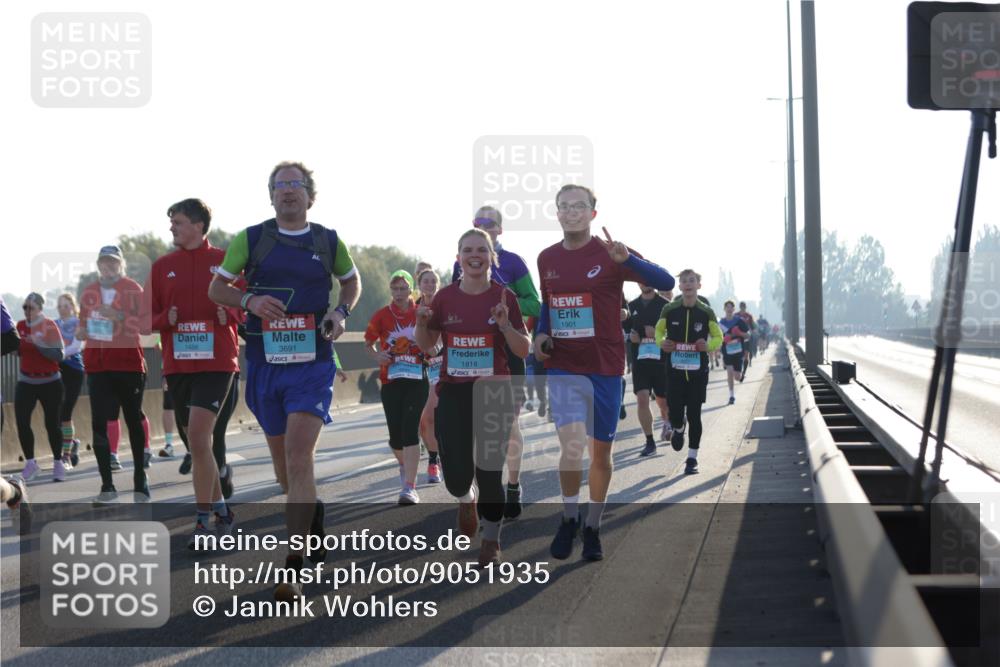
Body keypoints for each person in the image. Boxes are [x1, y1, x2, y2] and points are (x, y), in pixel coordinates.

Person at [208, 161, 360, 601]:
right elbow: (218, 291)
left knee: (299, 455)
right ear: (270, 195)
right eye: (280, 185)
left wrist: (339, 313)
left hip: (312, 363)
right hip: (264, 363)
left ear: (310, 196)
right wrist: (250, 299)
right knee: (285, 472)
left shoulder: (328, 241)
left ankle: (292, 564)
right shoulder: (251, 239)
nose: (288, 191)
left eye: (296, 185)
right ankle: (310, 510)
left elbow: (351, 284)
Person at [534, 185, 674, 562]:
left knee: (600, 453)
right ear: (557, 213)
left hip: (604, 366)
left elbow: (666, 283)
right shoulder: (546, 258)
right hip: (564, 365)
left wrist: (631, 261)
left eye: (579, 206)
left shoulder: (611, 253)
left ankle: (593, 525)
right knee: (570, 447)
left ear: (593, 213)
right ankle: (568, 518)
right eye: (564, 206)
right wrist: (541, 334)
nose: (571, 212)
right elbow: (549, 305)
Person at [416, 228, 529, 567]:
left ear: (491, 257)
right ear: (459, 257)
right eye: (468, 249)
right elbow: (427, 345)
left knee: (490, 470)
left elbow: (522, 348)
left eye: (482, 249)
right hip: (453, 391)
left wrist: (505, 326)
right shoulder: (445, 298)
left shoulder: (504, 297)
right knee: (457, 476)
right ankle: (466, 499)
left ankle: (491, 540)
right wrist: (422, 323)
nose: (475, 254)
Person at [148, 198, 241, 545]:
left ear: (199, 225)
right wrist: (163, 321)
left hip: (217, 363)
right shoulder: (162, 266)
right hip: (178, 364)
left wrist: (228, 315)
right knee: (198, 447)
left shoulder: (224, 262)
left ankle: (203, 522)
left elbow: (247, 307)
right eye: (171, 221)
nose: (172, 227)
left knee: (201, 439)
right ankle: (223, 511)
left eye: (179, 221)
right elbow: (148, 317)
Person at [450, 206, 540, 520]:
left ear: (500, 230)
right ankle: (485, 492)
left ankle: (512, 484)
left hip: (508, 355)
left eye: (489, 223)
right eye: (477, 223)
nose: (483, 226)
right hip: (470, 357)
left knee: (509, 426)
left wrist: (505, 299)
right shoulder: (460, 262)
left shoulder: (513, 262)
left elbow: (535, 303)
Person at [77, 245, 150, 504]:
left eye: (113, 262)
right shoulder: (89, 292)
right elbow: (83, 324)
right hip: (98, 366)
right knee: (99, 424)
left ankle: (140, 478)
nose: (108, 267)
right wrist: (81, 332)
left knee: (132, 420)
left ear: (121, 265)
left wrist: (119, 315)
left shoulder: (133, 289)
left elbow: (146, 324)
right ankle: (107, 485)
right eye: (104, 263)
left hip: (128, 364)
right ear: (99, 265)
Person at [365, 270, 429, 505]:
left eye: (403, 289)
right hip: (391, 380)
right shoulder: (382, 315)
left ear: (411, 290)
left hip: (417, 379)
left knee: (410, 428)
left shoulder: (420, 313)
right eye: (395, 289)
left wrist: (427, 349)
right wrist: (377, 356)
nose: (399, 293)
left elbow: (434, 342)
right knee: (395, 436)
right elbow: (368, 345)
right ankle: (405, 465)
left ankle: (410, 487)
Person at [655, 269, 722, 475]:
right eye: (684, 281)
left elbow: (718, 337)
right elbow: (659, 332)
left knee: (694, 414)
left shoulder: (706, 311)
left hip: (697, 373)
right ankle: (677, 427)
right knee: (674, 411)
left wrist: (708, 345)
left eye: (692, 280)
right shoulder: (669, 309)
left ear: (698, 285)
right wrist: (662, 343)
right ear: (680, 286)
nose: (688, 284)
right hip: (674, 372)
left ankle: (692, 459)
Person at [15, 293, 66, 481]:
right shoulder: (20, 326)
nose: (27, 311)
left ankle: (58, 463)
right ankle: (30, 463)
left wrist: (39, 344)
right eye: (24, 307)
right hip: (26, 381)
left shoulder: (49, 325)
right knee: (21, 421)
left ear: (40, 309)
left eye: (31, 308)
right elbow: (17, 350)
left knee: (52, 424)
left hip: (50, 382)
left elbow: (59, 355)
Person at [627, 284, 670, 456]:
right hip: (640, 362)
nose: (644, 284)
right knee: (642, 399)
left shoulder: (665, 306)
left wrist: (659, 335)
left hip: (661, 362)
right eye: (641, 281)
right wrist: (632, 339)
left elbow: (676, 332)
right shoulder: (632, 307)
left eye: (648, 281)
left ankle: (669, 421)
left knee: (663, 401)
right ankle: (650, 441)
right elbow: (625, 332)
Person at [415, 267, 442, 484]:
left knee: (430, 416)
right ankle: (435, 455)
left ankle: (434, 462)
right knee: (422, 422)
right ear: (419, 284)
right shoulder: (413, 307)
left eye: (433, 281)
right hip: (417, 366)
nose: (430, 284)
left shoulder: (444, 305)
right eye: (426, 281)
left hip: (441, 364)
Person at [55, 293, 84, 468]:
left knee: (66, 412)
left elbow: (76, 346)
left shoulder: (79, 324)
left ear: (73, 307)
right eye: (60, 306)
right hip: (57, 371)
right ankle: (70, 444)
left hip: (74, 370)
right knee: (57, 414)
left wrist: (59, 354)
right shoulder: (54, 325)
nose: (63, 309)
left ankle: (65, 456)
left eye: (66, 305)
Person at [718, 300, 750, 405]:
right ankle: (731, 396)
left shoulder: (739, 321)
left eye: (731, 307)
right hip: (727, 352)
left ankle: (741, 376)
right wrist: (723, 340)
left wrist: (739, 333)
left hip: (738, 352)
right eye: (727, 307)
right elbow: (717, 339)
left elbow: (748, 336)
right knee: (729, 372)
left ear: (733, 309)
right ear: (724, 309)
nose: (729, 309)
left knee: (737, 376)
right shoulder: (721, 323)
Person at [736, 302, 757, 382]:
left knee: (746, 355)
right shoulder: (736, 315)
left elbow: (753, 326)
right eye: (741, 307)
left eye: (744, 307)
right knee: (739, 356)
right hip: (738, 338)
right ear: (740, 307)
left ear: (745, 307)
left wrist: (753, 331)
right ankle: (739, 371)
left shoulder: (749, 316)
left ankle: (743, 373)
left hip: (747, 338)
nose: (742, 309)